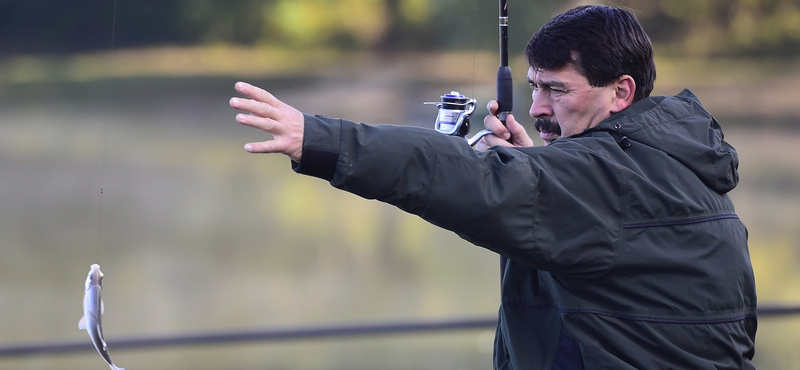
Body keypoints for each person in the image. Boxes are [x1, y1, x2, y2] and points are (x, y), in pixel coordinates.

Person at [229, 4, 757, 369]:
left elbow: (467, 182)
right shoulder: (682, 165)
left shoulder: (602, 180)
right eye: (533, 87)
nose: (539, 107)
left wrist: (320, 139)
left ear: (621, 92)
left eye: (556, 90)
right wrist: (537, 170)